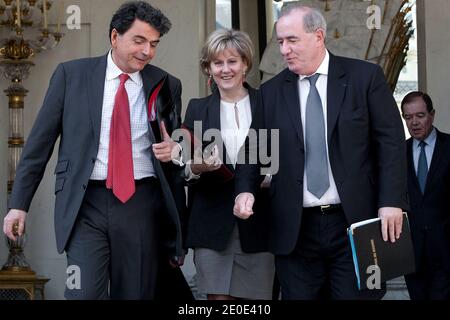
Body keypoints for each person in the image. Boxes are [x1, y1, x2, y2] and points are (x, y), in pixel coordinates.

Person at [3, 1, 188, 300]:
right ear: (115, 37)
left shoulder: (167, 84)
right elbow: (38, 145)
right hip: (84, 204)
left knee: (135, 294)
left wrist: (176, 150)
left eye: (153, 44)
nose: (147, 51)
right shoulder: (70, 76)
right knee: (81, 293)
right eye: (139, 41)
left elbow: (176, 145)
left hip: (142, 204)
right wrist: (18, 203)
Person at [233, 5, 408, 299]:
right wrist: (244, 190)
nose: (285, 50)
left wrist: (391, 201)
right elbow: (254, 148)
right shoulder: (271, 92)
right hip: (295, 229)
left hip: (355, 223)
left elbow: (390, 143)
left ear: (318, 36)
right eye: (280, 42)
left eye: (292, 40)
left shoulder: (365, 78)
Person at [182, 29, 275, 300]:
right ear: (208, 68)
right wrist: (196, 167)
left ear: (245, 63)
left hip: (260, 222)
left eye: (232, 61)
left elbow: (281, 159)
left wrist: (267, 177)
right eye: (217, 63)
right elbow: (183, 169)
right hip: (211, 224)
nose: (225, 69)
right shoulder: (197, 108)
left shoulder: (267, 102)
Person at [401, 91, 450, 300]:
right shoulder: (398, 154)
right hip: (412, 254)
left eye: (420, 116)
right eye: (408, 117)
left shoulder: (449, 147)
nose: (414, 123)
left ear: (432, 115)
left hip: (446, 250)